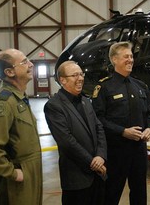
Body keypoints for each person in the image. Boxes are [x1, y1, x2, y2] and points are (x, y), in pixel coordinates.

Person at [92, 41, 150, 205]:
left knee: (140, 193)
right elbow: (98, 119)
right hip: (116, 151)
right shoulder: (104, 87)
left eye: (131, 56)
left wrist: (149, 128)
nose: (130, 60)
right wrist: (122, 131)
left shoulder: (140, 86)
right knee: (111, 193)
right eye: (126, 56)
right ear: (114, 59)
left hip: (139, 150)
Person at [44, 61, 107, 205]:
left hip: (97, 174)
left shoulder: (85, 101)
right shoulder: (54, 106)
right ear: (63, 80)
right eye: (75, 75)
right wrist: (92, 162)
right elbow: (66, 141)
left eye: (81, 74)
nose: (80, 78)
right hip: (76, 178)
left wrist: (101, 155)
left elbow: (99, 128)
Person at [0, 49, 43, 205]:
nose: (31, 65)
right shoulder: (4, 103)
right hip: (16, 182)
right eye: (24, 62)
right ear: (10, 72)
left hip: (30, 171)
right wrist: (11, 173)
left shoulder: (18, 98)